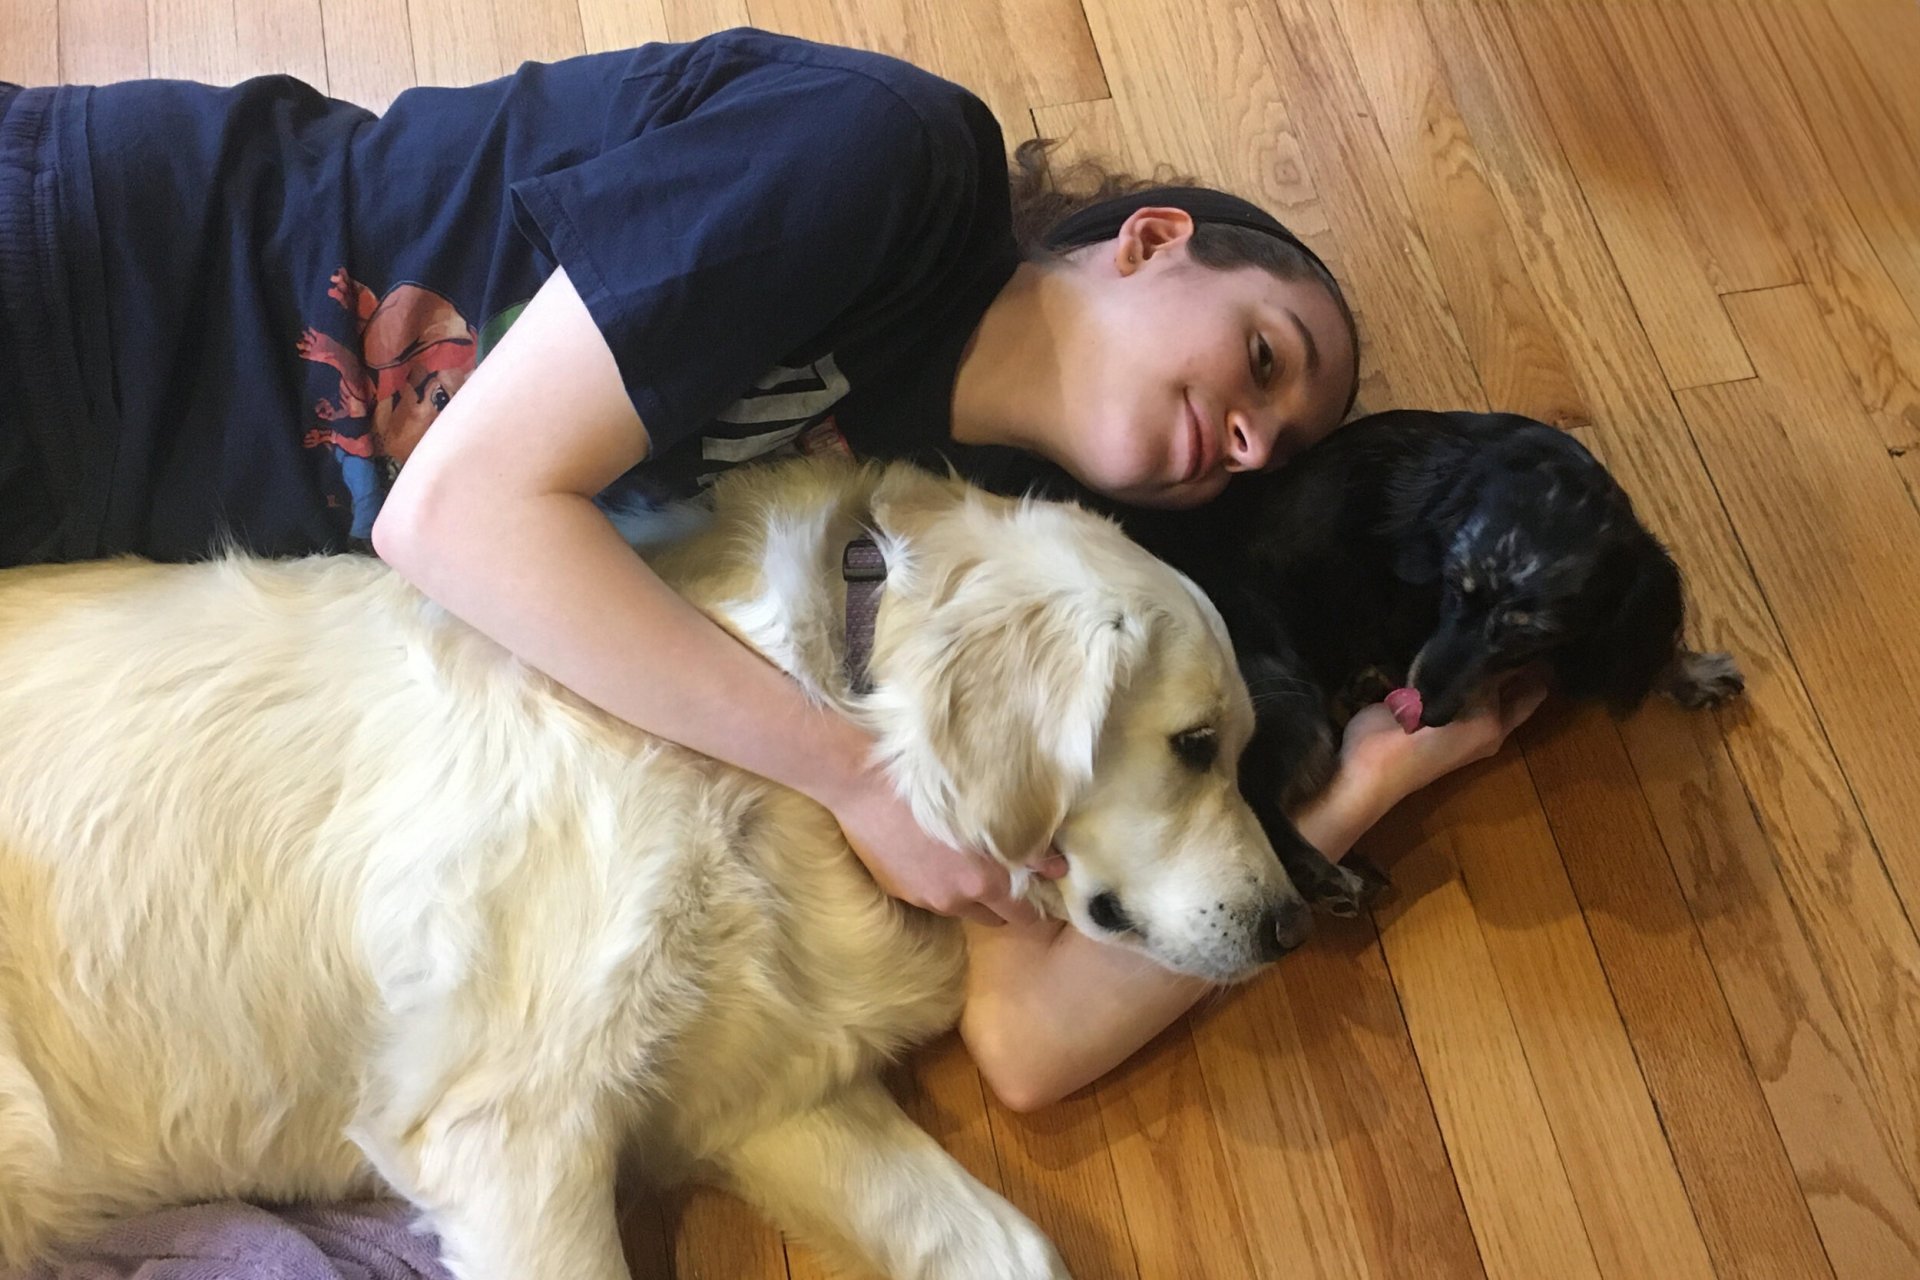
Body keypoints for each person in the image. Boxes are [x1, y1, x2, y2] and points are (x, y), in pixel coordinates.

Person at [0, 28, 1541, 1110]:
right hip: (97, 271)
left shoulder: (971, 542)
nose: (1258, 438)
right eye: (1266, 359)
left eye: (1278, 440)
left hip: (109, 544)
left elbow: (1021, 1041)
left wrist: (1364, 792)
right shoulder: (892, 163)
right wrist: (858, 784)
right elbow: (454, 515)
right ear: (1149, 241)